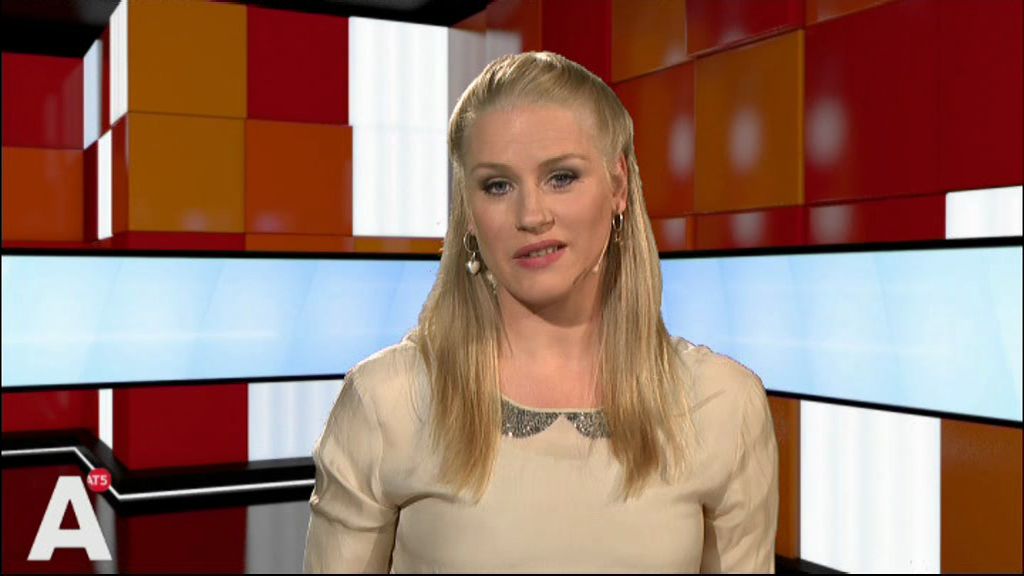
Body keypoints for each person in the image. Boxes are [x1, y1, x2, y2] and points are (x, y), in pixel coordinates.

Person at [304, 51, 778, 573]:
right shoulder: (386, 402)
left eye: (561, 177)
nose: (531, 215)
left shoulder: (724, 404)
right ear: (468, 212)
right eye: (497, 186)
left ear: (618, 186)